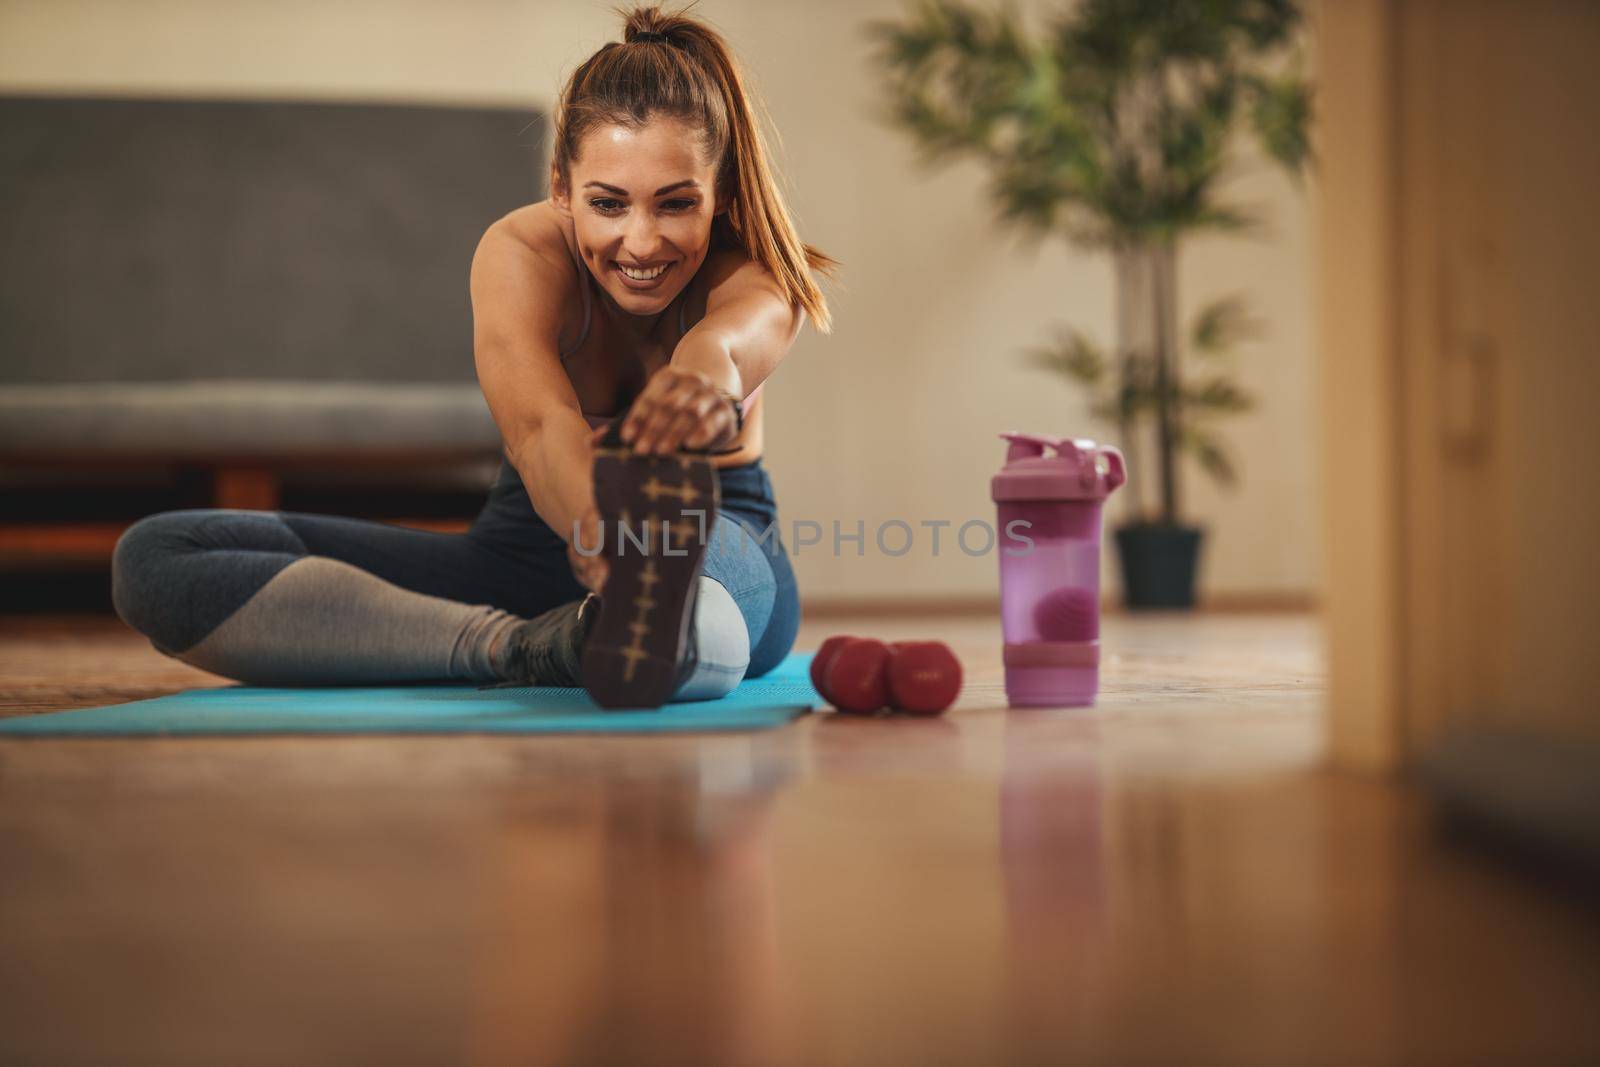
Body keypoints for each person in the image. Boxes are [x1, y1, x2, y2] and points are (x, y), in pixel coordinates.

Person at [110, 5, 834, 707]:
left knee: (688, 580)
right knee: (159, 556)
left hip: (716, 547)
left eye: (675, 204)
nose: (641, 243)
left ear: (722, 195)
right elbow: (539, 429)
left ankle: (648, 621)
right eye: (609, 204)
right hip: (523, 551)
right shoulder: (520, 253)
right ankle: (526, 646)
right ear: (561, 187)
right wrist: (594, 533)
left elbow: (728, 344)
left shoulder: (758, 272)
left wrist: (699, 381)